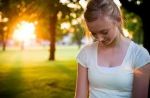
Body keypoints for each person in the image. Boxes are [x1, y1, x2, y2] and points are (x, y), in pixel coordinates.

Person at [74, 0, 150, 98]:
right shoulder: (86, 53)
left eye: (104, 32)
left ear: (118, 20)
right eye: (94, 33)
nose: (99, 39)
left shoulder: (139, 55)